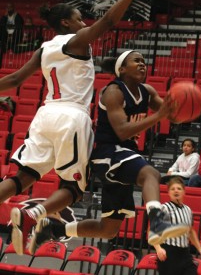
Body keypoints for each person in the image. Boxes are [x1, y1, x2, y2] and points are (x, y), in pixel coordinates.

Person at [0, 0, 156, 256]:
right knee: (73, 188)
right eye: (79, 19)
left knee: (23, 176)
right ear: (66, 24)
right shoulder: (77, 41)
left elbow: (14, 79)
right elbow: (107, 23)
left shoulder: (44, 48)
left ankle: (30, 213)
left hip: (45, 113)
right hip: (72, 117)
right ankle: (32, 215)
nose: (84, 23)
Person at [29, 49, 189, 255]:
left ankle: (54, 228)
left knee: (108, 230)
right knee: (152, 174)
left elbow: (173, 116)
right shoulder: (113, 91)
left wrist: (184, 108)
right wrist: (160, 115)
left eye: (144, 61)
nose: (142, 64)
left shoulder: (147, 91)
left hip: (125, 157)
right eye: (136, 61)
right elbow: (122, 131)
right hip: (107, 153)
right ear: (121, 69)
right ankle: (157, 221)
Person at [154, 176, 201, 275]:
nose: (176, 191)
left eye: (179, 188)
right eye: (173, 189)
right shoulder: (164, 208)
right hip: (168, 252)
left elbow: (191, 231)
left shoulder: (188, 210)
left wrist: (200, 249)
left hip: (184, 253)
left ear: (184, 192)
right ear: (169, 192)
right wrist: (158, 248)